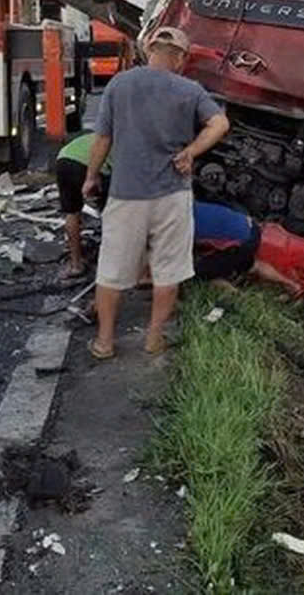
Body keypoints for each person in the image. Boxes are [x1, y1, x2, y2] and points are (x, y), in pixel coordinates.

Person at [83, 26, 229, 359]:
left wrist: (91, 177)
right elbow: (220, 124)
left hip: (126, 193)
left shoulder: (119, 84)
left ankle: (105, 342)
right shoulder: (190, 90)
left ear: (150, 50)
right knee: (168, 270)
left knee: (112, 270)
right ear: (180, 57)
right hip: (171, 194)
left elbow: (102, 139)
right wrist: (192, 151)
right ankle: (153, 338)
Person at [191, 201, 303, 298]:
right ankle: (291, 284)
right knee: (250, 264)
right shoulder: (187, 204)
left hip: (240, 242)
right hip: (250, 227)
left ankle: (240, 298)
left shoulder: (180, 222)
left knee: (202, 272)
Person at [54, 132, 110, 280]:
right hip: (90, 166)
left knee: (72, 212)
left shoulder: (95, 136)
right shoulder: (119, 141)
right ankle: (110, 266)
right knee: (111, 215)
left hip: (63, 160)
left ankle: (76, 264)